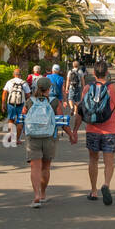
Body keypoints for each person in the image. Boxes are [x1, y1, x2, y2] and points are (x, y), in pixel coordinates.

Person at [71, 60, 115, 205]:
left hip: (92, 129)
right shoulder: (114, 88)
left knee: (93, 160)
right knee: (109, 161)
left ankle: (94, 191)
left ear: (94, 73)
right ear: (107, 73)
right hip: (109, 131)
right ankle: (106, 184)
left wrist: (75, 130)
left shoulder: (87, 88)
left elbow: (80, 111)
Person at [22, 77, 74, 208]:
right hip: (50, 137)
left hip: (33, 137)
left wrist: (17, 136)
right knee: (45, 167)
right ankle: (43, 193)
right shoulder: (54, 102)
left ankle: (36, 195)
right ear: (49, 89)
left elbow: (22, 119)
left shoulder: (29, 101)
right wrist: (71, 135)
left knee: (35, 167)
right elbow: (61, 121)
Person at [2, 66, 31, 144]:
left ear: (13, 74)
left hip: (10, 104)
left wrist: (3, 104)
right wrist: (29, 105)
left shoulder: (9, 82)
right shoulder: (24, 83)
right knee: (20, 121)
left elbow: (4, 93)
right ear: (20, 75)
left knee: (11, 120)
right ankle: (17, 140)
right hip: (21, 104)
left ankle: (10, 136)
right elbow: (28, 95)